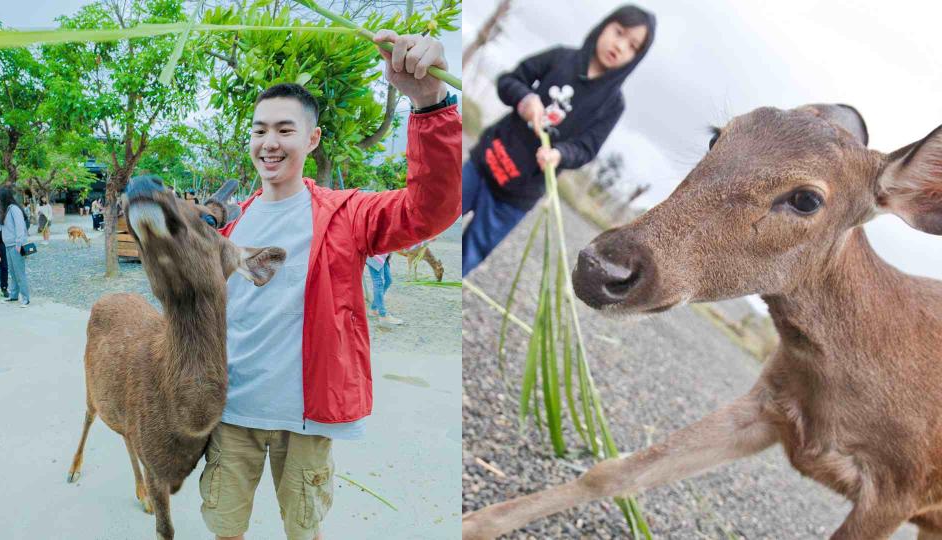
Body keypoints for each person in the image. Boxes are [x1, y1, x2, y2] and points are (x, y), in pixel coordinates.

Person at [200, 29, 460, 540]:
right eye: (258, 131)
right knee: (224, 529)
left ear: (312, 138)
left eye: (284, 130)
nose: (268, 143)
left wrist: (429, 103)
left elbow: (430, 209)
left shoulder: (347, 215)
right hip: (230, 415)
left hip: (306, 420)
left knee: (305, 532)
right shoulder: (231, 224)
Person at [462, 5, 656, 276]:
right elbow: (509, 80)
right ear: (605, 26)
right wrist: (525, 99)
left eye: (632, 45)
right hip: (483, 164)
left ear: (636, 57)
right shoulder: (560, 58)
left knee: (469, 252)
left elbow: (587, 148)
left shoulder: (613, 105)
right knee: (435, 222)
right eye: (619, 32)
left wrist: (560, 155)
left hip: (514, 197)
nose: (621, 45)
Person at [0, 186, 30, 307]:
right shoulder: (4, 209)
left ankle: (25, 298)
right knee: (12, 272)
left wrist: (18, 243)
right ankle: (14, 295)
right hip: (8, 245)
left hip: (16, 246)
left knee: (19, 272)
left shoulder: (14, 209)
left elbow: (20, 227)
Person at [366, 253, 403, 327]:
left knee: (388, 280)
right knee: (378, 282)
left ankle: (373, 309)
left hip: (384, 254)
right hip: (375, 254)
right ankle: (383, 315)